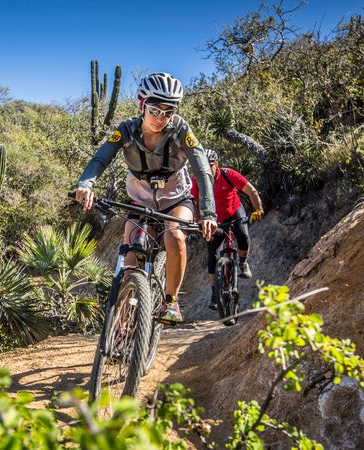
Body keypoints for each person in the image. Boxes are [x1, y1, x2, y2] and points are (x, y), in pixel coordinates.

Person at [74, 72, 217, 325]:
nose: (161, 118)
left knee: (174, 237)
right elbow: (101, 158)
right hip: (140, 200)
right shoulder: (126, 130)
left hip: (176, 198)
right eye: (154, 110)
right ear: (142, 105)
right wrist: (86, 184)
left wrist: (208, 213)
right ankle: (117, 329)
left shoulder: (181, 130)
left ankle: (171, 302)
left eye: (168, 112)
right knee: (129, 261)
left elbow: (202, 168)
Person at [190, 148, 264, 310]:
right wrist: (198, 220)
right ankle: (215, 294)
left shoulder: (228, 174)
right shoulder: (197, 182)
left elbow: (251, 190)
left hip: (234, 212)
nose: (206, 169)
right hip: (214, 220)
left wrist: (257, 209)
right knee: (213, 256)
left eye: (209, 165)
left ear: (216, 165)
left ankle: (243, 263)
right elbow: (192, 202)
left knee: (243, 235)